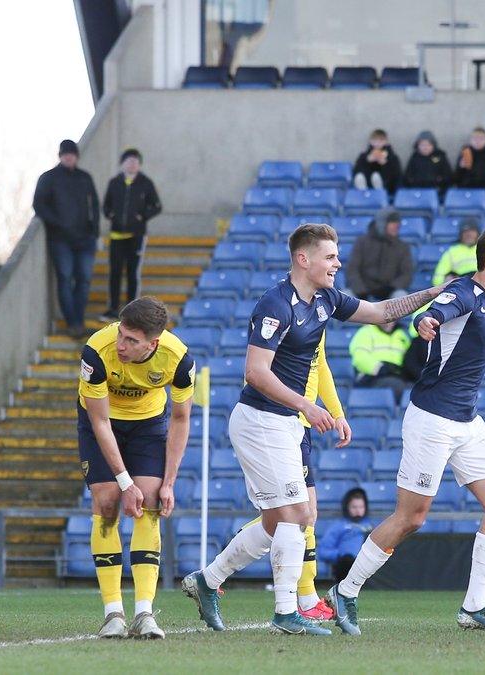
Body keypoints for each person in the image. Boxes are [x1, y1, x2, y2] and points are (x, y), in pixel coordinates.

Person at [322, 227, 485, 637]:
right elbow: (439, 309)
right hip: (431, 420)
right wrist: (426, 322)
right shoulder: (463, 293)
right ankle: (346, 590)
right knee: (412, 518)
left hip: (467, 421)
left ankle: (474, 607)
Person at [181, 223, 441, 636]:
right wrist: (308, 405)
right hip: (261, 421)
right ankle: (287, 611)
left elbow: (379, 312)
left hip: (285, 423)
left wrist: (429, 294)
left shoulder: (326, 299)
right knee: (299, 514)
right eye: (331, 256)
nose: (339, 263)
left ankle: (207, 581)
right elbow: (255, 372)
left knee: (275, 523)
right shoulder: (275, 304)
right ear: (304, 259)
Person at [77, 297, 193, 639]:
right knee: (108, 501)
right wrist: (125, 482)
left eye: (131, 340)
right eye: (121, 335)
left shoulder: (179, 358)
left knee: (153, 500)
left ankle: (144, 613)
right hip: (100, 421)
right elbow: (99, 423)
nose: (121, 344)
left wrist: (169, 481)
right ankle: (113, 612)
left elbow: (181, 418)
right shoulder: (96, 351)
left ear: (153, 343)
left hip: (148, 424)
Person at [231, 329, 347, 621]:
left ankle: (213, 577)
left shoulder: (317, 314)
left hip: (299, 424)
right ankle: (304, 600)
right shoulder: (283, 314)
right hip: (277, 422)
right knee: (296, 513)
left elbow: (319, 364)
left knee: (301, 513)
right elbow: (259, 370)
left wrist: (338, 413)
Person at [33, 139, 100, 337]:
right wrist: (57, 223)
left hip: (84, 239)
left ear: (76, 156)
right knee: (65, 278)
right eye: (65, 154)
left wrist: (94, 230)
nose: (69, 157)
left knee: (84, 279)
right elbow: (39, 204)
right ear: (60, 156)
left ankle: (78, 320)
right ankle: (72, 322)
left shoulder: (85, 178)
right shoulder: (49, 178)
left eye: (72, 154)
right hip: (60, 239)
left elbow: (95, 204)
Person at [99, 148, 162, 322]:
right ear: (122, 163)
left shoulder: (145, 183)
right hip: (117, 235)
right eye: (129, 160)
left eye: (136, 161)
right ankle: (112, 308)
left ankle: (131, 309)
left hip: (136, 235)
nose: (132, 163)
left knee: (133, 273)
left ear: (139, 164)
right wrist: (112, 215)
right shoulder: (114, 182)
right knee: (115, 272)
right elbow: (105, 206)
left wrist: (142, 217)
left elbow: (156, 206)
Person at [345, 206, 414, 301]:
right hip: (362, 291)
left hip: (389, 292)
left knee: (401, 296)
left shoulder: (402, 247)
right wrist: (361, 291)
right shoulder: (362, 242)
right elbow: (352, 270)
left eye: (397, 222)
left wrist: (391, 288)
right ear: (382, 223)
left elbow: (406, 274)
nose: (396, 226)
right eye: (392, 222)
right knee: (345, 296)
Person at [318, 488, 376, 583]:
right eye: (354, 507)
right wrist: (340, 555)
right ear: (347, 507)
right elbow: (323, 551)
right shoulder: (338, 526)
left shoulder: (372, 526)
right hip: (346, 566)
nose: (358, 510)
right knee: (347, 560)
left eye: (361, 507)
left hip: (367, 566)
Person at [348, 319, 414, 399]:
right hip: (371, 378)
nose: (389, 323)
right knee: (403, 388)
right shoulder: (366, 332)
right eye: (387, 320)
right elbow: (360, 358)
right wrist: (379, 368)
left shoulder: (402, 335)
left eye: (393, 319)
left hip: (397, 376)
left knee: (414, 389)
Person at [454, 127, 485, 199]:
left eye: (481, 139)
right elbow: (457, 179)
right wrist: (461, 168)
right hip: (467, 189)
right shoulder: (465, 154)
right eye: (474, 139)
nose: (477, 141)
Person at [402, 130, 453, 196]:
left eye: (429, 145)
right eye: (422, 145)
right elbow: (407, 177)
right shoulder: (414, 158)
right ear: (418, 146)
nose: (425, 148)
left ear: (433, 145)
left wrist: (440, 180)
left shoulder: (440, 156)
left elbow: (448, 176)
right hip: (417, 192)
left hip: (437, 192)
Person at [432, 217, 480, 285]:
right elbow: (438, 277)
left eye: (472, 231)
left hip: (483, 285)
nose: (469, 234)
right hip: (461, 286)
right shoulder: (451, 252)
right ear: (461, 234)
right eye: (466, 232)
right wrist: (444, 283)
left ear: (478, 233)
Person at [353, 129, 402, 194]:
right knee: (359, 177)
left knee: (376, 176)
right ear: (370, 141)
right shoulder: (364, 156)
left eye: (381, 141)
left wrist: (385, 164)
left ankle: (379, 195)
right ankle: (363, 195)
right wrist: (367, 161)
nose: (377, 143)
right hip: (367, 185)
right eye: (375, 140)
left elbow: (397, 176)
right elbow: (356, 171)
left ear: (386, 142)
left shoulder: (392, 157)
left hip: (386, 187)